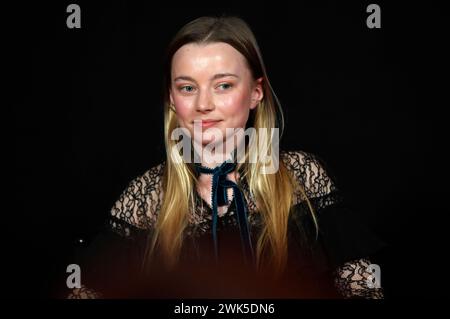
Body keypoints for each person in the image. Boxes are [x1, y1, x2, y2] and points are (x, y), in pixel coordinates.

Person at [67, 16, 385, 299]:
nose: (204, 104)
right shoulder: (146, 198)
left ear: (256, 92)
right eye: (188, 87)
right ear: (172, 99)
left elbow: (364, 290)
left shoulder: (302, 176)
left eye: (223, 85)